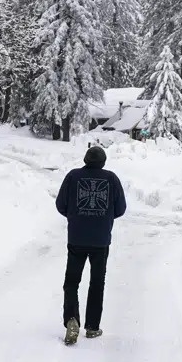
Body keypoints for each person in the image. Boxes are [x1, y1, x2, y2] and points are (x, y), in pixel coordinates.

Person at [55, 145, 127, 345]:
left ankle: (72, 319)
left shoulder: (72, 177)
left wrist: (75, 216)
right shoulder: (111, 179)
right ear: (103, 162)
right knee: (97, 283)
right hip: (100, 241)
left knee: (71, 282)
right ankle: (92, 327)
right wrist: (104, 217)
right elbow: (121, 209)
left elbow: (61, 205)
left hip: (76, 239)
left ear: (85, 160)